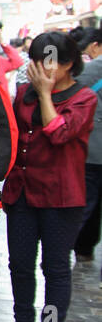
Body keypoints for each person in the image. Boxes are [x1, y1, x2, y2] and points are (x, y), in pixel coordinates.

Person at [0, 32, 97, 322]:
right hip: (22, 191)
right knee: (20, 262)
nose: (41, 69)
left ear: (68, 65)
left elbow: (59, 132)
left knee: (55, 267)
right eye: (37, 62)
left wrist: (44, 94)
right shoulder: (23, 93)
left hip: (60, 197)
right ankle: (23, 320)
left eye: (49, 63)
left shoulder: (84, 98)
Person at [72, 29, 102, 271]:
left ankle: (74, 247)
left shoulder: (89, 70)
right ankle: (85, 248)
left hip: (89, 149)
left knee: (86, 201)